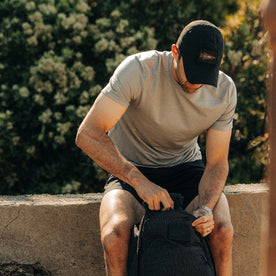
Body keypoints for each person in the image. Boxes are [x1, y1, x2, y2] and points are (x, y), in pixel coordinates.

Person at [76, 20, 237, 276]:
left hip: (187, 170)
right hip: (131, 171)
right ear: (175, 52)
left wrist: (206, 207)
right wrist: (138, 181)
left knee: (223, 230)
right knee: (114, 236)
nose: (197, 83)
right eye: (192, 71)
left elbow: (217, 162)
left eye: (204, 75)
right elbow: (88, 134)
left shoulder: (225, 91)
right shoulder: (138, 70)